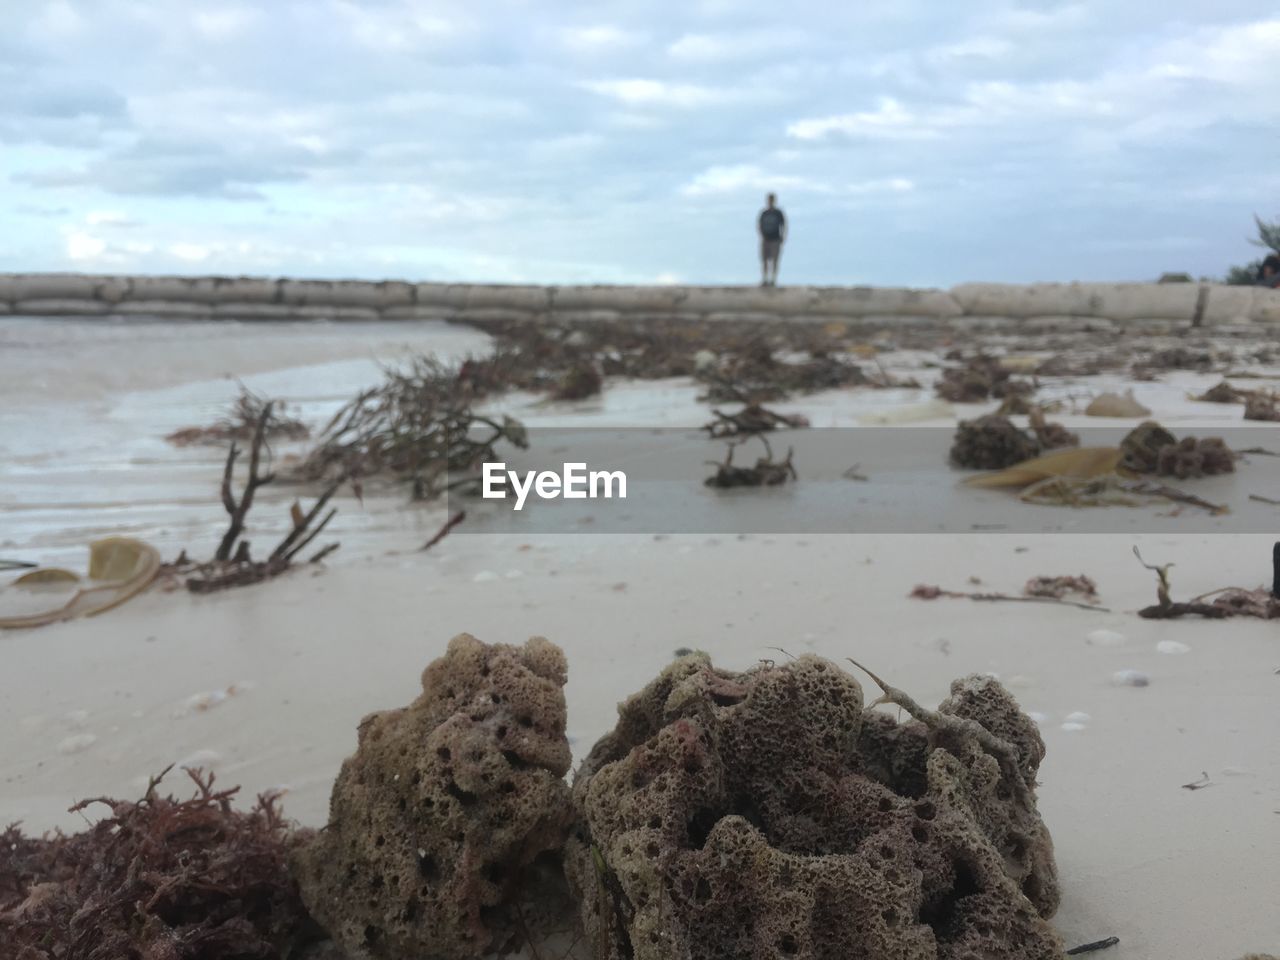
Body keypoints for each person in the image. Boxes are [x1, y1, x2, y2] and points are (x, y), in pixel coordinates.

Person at [758, 193, 786, 287]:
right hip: (766, 239)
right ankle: (765, 279)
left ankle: (773, 280)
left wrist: (783, 236)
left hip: (775, 239)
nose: (770, 201)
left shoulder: (778, 213)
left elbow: (784, 225)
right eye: (769, 199)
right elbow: (759, 225)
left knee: (775, 260)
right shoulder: (764, 213)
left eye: (772, 199)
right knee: (764, 260)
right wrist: (762, 236)